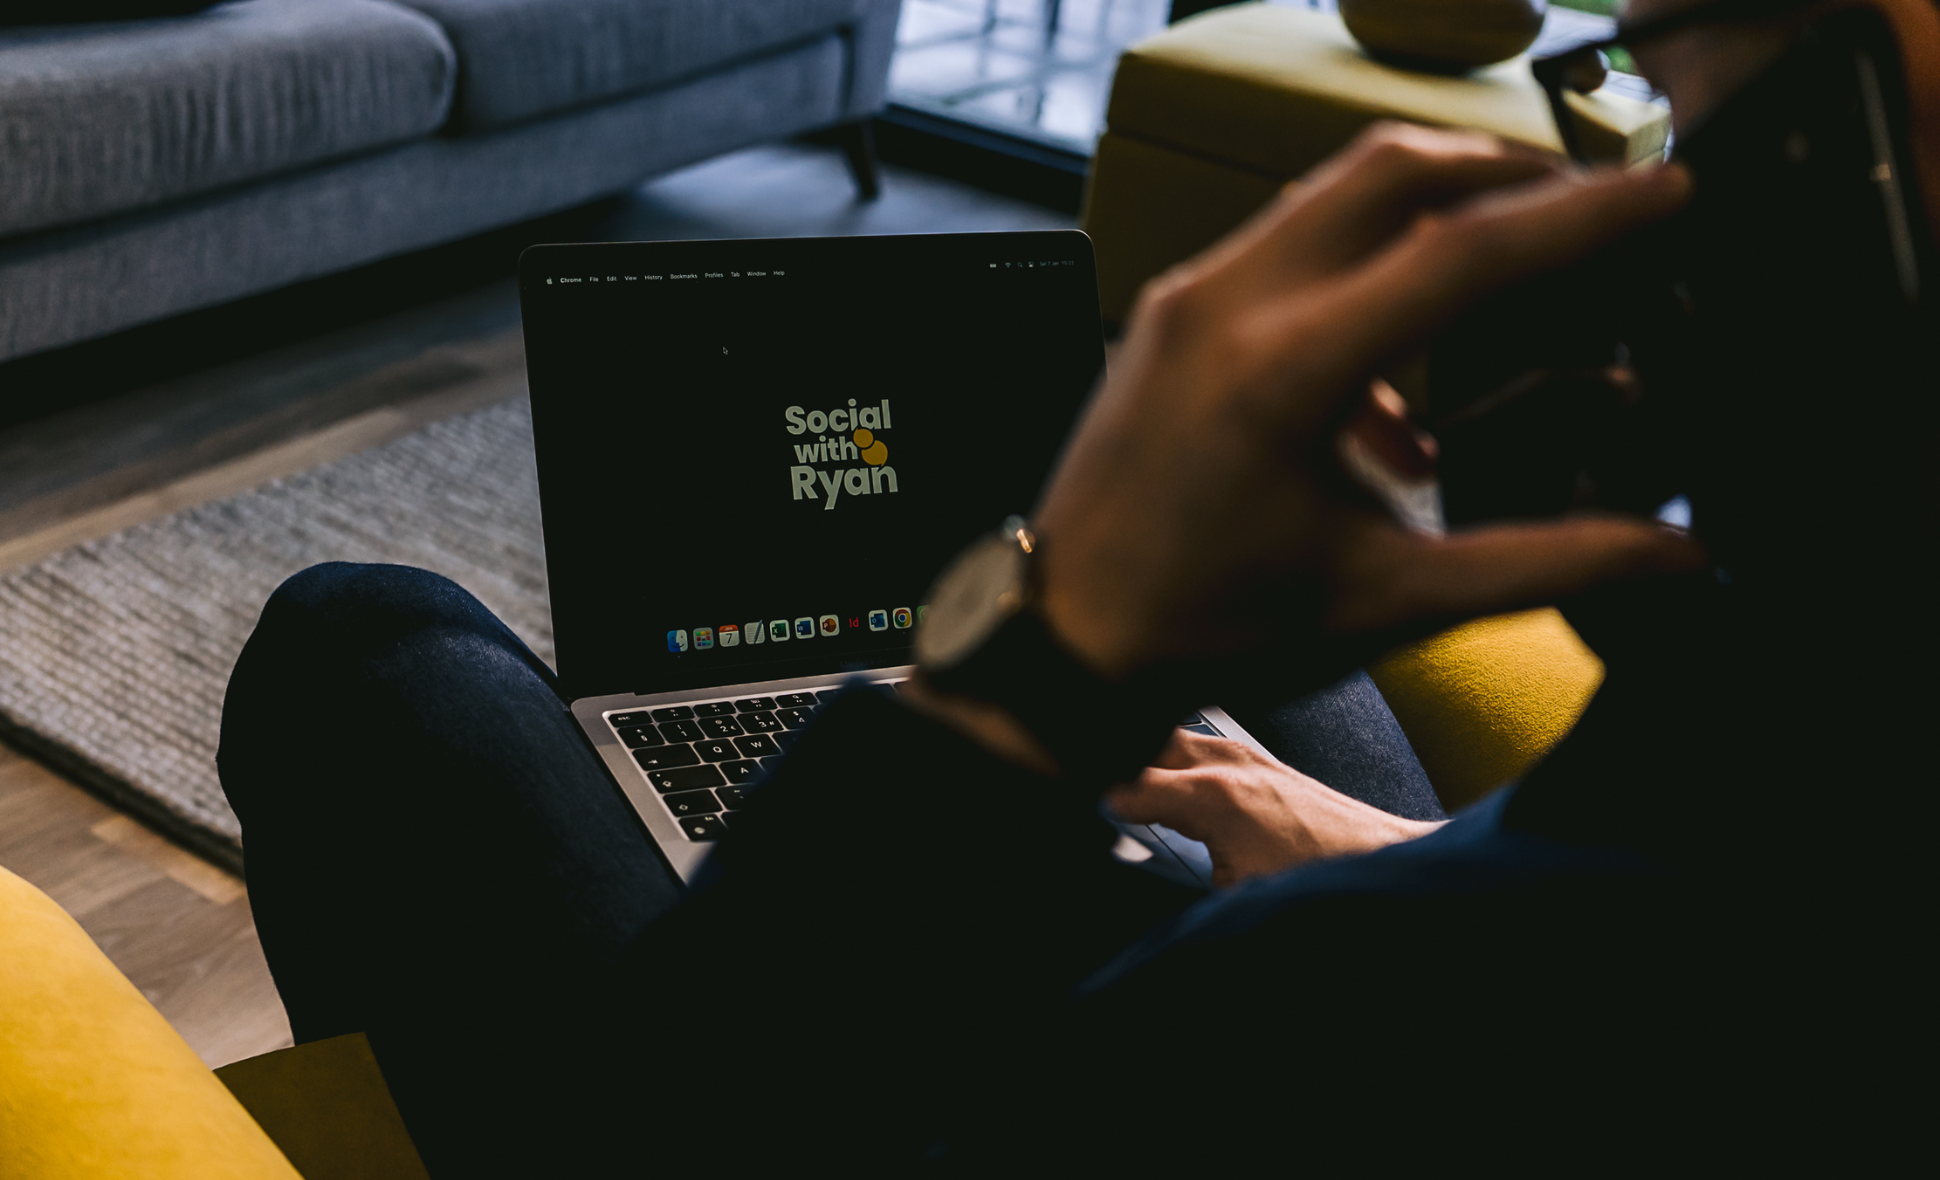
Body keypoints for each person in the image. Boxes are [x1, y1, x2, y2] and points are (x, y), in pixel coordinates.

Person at [217, 0, 1938, 1170]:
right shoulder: (1804, 717)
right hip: (1468, 918)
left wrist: (1024, 676)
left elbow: (684, 1120)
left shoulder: (1286, 1020)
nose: (1643, 189)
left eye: (1673, 102)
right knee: (1259, 699)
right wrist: (1377, 837)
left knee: (370, 645)